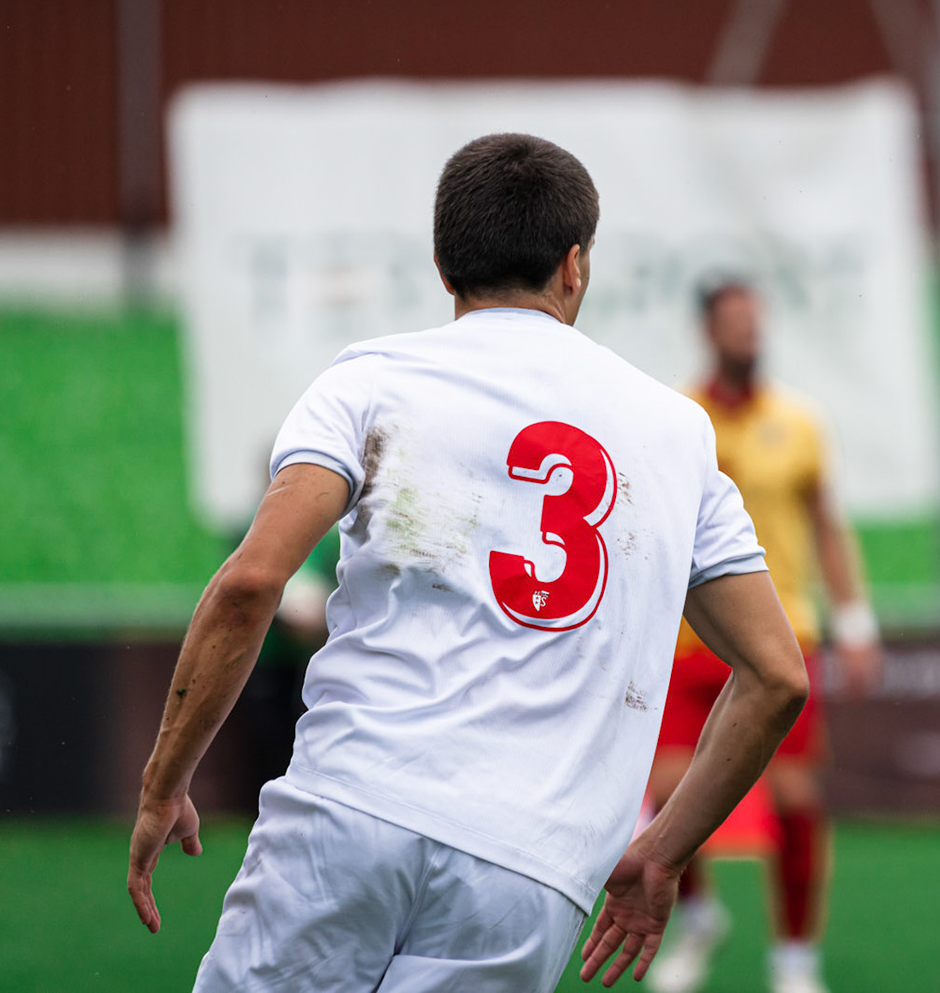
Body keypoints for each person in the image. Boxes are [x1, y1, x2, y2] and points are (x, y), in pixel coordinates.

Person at [127, 134, 809, 993]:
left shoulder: (368, 379)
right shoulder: (678, 434)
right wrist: (660, 854)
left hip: (353, 808)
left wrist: (165, 781)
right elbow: (778, 675)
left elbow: (252, 584)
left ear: (445, 266)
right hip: (531, 863)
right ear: (576, 266)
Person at [645, 279, 883, 993]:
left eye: (756, 320)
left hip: (783, 637)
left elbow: (827, 526)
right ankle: (697, 919)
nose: (748, 332)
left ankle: (794, 958)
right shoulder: (678, 419)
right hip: (691, 640)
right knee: (665, 791)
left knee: (796, 800)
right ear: (707, 331)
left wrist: (855, 619)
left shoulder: (800, 422)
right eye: (734, 321)